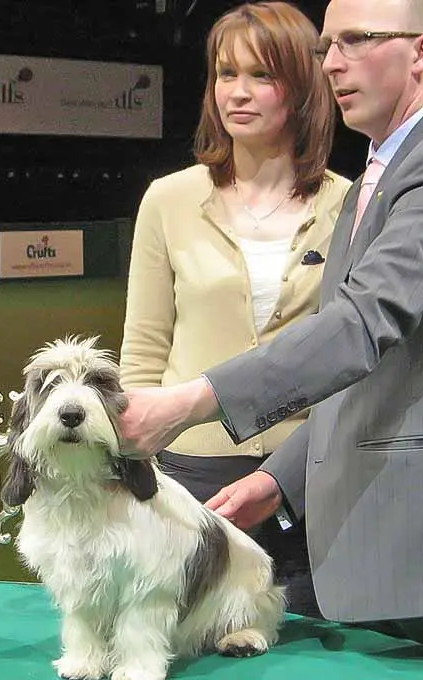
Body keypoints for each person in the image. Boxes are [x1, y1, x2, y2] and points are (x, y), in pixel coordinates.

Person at [116, 0, 423, 675]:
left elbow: (358, 329)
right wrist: (279, 481)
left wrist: (188, 400)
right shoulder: (383, 176)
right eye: (327, 46)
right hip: (376, 535)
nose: (334, 62)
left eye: (357, 41)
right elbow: (371, 371)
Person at [119, 1, 351, 618]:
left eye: (261, 76)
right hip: (188, 478)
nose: (237, 93)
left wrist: (291, 475)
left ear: (303, 88)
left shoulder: (353, 206)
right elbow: (142, 351)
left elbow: (356, 354)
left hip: (309, 479)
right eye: (226, 74)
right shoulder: (167, 200)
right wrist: (134, 468)